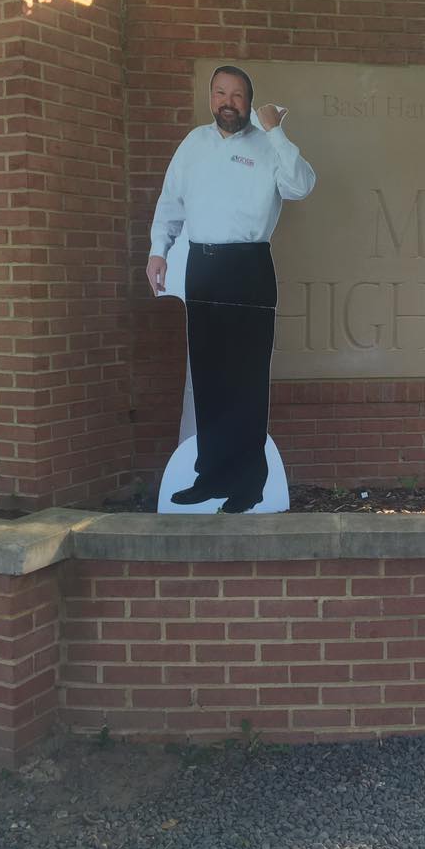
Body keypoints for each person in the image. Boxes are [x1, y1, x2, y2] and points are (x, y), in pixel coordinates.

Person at [146, 65, 316, 513]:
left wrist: (276, 130)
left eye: (237, 95)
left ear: (250, 101)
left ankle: (249, 482)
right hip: (202, 265)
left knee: (246, 379)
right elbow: (170, 201)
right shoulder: (193, 145)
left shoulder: (268, 145)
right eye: (220, 93)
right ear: (210, 98)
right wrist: (157, 250)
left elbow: (300, 186)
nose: (228, 102)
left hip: (249, 266)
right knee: (208, 378)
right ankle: (212, 476)